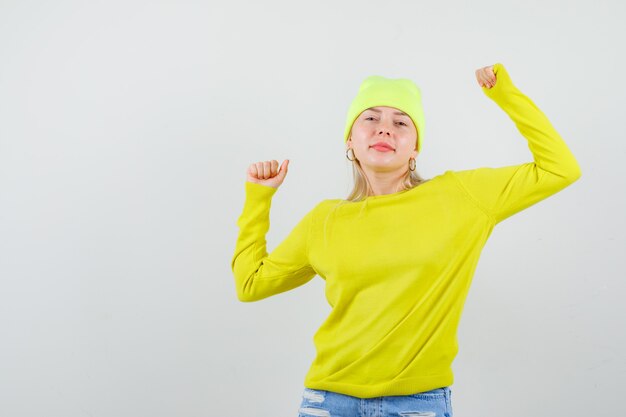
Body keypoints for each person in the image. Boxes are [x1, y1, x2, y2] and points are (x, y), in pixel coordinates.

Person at [230, 63, 582, 417]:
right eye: (370, 118)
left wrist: (505, 94)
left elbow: (560, 168)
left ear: (415, 148)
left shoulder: (461, 196)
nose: (385, 128)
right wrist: (259, 198)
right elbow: (251, 284)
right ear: (350, 140)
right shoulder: (324, 219)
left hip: (417, 403)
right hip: (327, 400)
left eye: (401, 122)